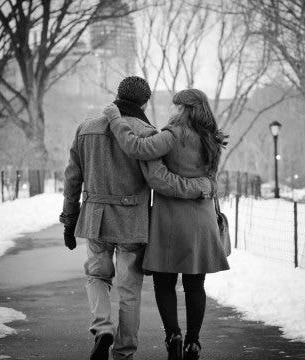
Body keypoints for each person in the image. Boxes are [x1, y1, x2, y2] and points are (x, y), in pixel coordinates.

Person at [60, 77, 217, 360]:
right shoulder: (148, 132)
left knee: (96, 276)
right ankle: (124, 351)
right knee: (129, 289)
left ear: (118, 94)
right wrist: (203, 186)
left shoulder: (85, 128)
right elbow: (157, 177)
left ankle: (102, 327)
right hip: (132, 221)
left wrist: (69, 219)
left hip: (95, 217)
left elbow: (72, 178)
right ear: (144, 103)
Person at [103, 88, 230, 360]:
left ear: (184, 109)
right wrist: (202, 186)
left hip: (170, 222)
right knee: (196, 285)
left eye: (176, 106)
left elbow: (137, 147)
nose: (173, 111)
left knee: (165, 283)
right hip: (202, 222)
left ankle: (173, 335)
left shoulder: (173, 135)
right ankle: (193, 342)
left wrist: (115, 119)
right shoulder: (212, 138)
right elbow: (211, 180)